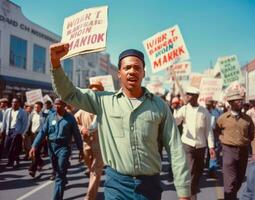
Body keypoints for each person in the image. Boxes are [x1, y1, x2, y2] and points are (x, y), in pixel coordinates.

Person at [50, 43, 191, 200]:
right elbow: (68, 93)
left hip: (149, 186)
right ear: (119, 73)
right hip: (117, 186)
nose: (132, 71)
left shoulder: (160, 106)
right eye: (127, 68)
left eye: (137, 68)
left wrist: (184, 192)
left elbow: (175, 149)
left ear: (144, 72)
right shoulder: (103, 101)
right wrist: (56, 64)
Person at [29, 98, 83, 200]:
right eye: (55, 104)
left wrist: (81, 149)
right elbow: (42, 132)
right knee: (56, 169)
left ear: (64, 105)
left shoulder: (70, 118)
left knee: (59, 174)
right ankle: (63, 176)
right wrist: (34, 146)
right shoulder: (50, 117)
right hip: (51, 147)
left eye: (59, 104)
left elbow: (77, 135)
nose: (56, 106)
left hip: (64, 147)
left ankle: (57, 197)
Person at [215, 90, 255, 200]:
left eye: (241, 100)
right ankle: (230, 197)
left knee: (239, 180)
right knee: (230, 182)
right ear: (231, 103)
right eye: (237, 101)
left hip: (243, 151)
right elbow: (216, 130)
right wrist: (222, 139)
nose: (240, 102)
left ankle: (232, 197)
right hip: (228, 151)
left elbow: (254, 135)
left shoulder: (247, 119)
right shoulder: (223, 118)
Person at [174, 86, 215, 200]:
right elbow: (176, 122)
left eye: (190, 95)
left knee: (198, 171)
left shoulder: (204, 111)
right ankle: (190, 195)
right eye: (187, 94)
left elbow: (208, 130)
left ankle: (192, 191)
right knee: (190, 171)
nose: (187, 97)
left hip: (201, 146)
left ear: (196, 97)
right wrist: (176, 109)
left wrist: (211, 147)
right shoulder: (184, 109)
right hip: (187, 145)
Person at [75, 81, 104, 200]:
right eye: (92, 90)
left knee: (95, 171)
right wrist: (82, 129)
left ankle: (89, 197)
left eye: (97, 91)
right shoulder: (84, 107)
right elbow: (75, 121)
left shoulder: (105, 108)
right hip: (86, 143)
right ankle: (93, 181)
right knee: (90, 168)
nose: (94, 92)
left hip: (100, 144)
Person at [2, 98, 28, 167]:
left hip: (17, 131)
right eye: (13, 102)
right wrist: (2, 130)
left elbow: (25, 124)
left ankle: (11, 161)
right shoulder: (8, 111)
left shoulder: (22, 112)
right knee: (7, 146)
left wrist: (22, 133)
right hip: (9, 130)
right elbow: (4, 121)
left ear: (19, 103)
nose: (14, 104)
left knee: (14, 147)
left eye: (16, 102)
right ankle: (16, 158)